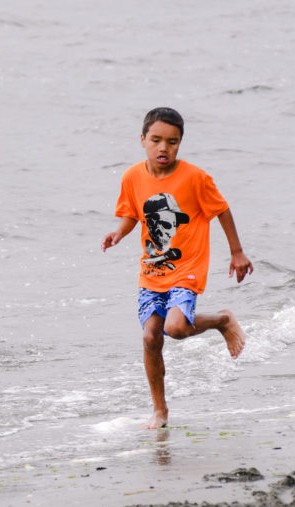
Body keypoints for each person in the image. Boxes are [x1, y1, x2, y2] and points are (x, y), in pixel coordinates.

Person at [101, 107, 253, 429]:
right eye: (156, 140)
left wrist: (236, 252)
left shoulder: (195, 178)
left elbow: (221, 210)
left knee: (176, 328)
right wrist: (118, 232)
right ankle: (160, 411)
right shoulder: (131, 176)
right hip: (152, 271)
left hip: (188, 268)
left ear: (180, 143)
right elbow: (131, 213)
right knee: (151, 336)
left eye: (172, 142)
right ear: (142, 139)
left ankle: (222, 321)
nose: (163, 148)